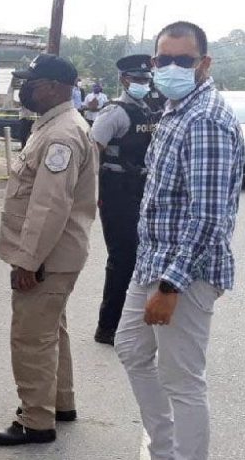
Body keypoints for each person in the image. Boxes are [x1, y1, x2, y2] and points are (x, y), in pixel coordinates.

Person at [115, 21, 244, 460]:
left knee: (183, 381)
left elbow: (208, 217)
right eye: (163, 60)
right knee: (130, 347)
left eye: (183, 60)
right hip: (154, 261)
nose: (171, 67)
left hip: (186, 271)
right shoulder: (176, 108)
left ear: (203, 64)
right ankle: (163, 445)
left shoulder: (205, 118)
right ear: (153, 63)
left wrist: (170, 287)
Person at [0, 54, 98, 446]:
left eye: (33, 83)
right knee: (52, 330)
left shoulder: (60, 135)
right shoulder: (54, 126)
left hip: (47, 257)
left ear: (54, 86)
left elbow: (49, 206)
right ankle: (59, 402)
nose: (26, 89)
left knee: (31, 337)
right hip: (57, 255)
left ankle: (35, 421)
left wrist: (27, 262)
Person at [91, 54, 159, 346]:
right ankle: (107, 327)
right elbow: (91, 153)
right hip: (117, 192)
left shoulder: (148, 111)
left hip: (141, 191)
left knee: (140, 258)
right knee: (122, 259)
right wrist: (91, 194)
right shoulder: (113, 113)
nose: (143, 84)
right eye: (137, 79)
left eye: (146, 79)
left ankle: (129, 324)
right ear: (124, 80)